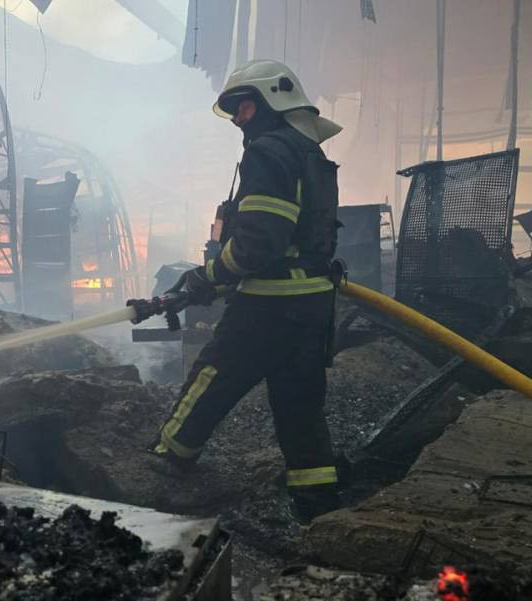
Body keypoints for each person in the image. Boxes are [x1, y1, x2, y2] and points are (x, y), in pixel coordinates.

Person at [148, 59, 344, 523]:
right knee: (300, 405)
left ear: (272, 101)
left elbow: (259, 242)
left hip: (269, 305)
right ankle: (317, 507)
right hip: (314, 303)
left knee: (214, 375)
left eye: (243, 107)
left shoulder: (268, 152)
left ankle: (166, 461)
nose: (237, 119)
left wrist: (209, 275)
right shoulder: (309, 153)